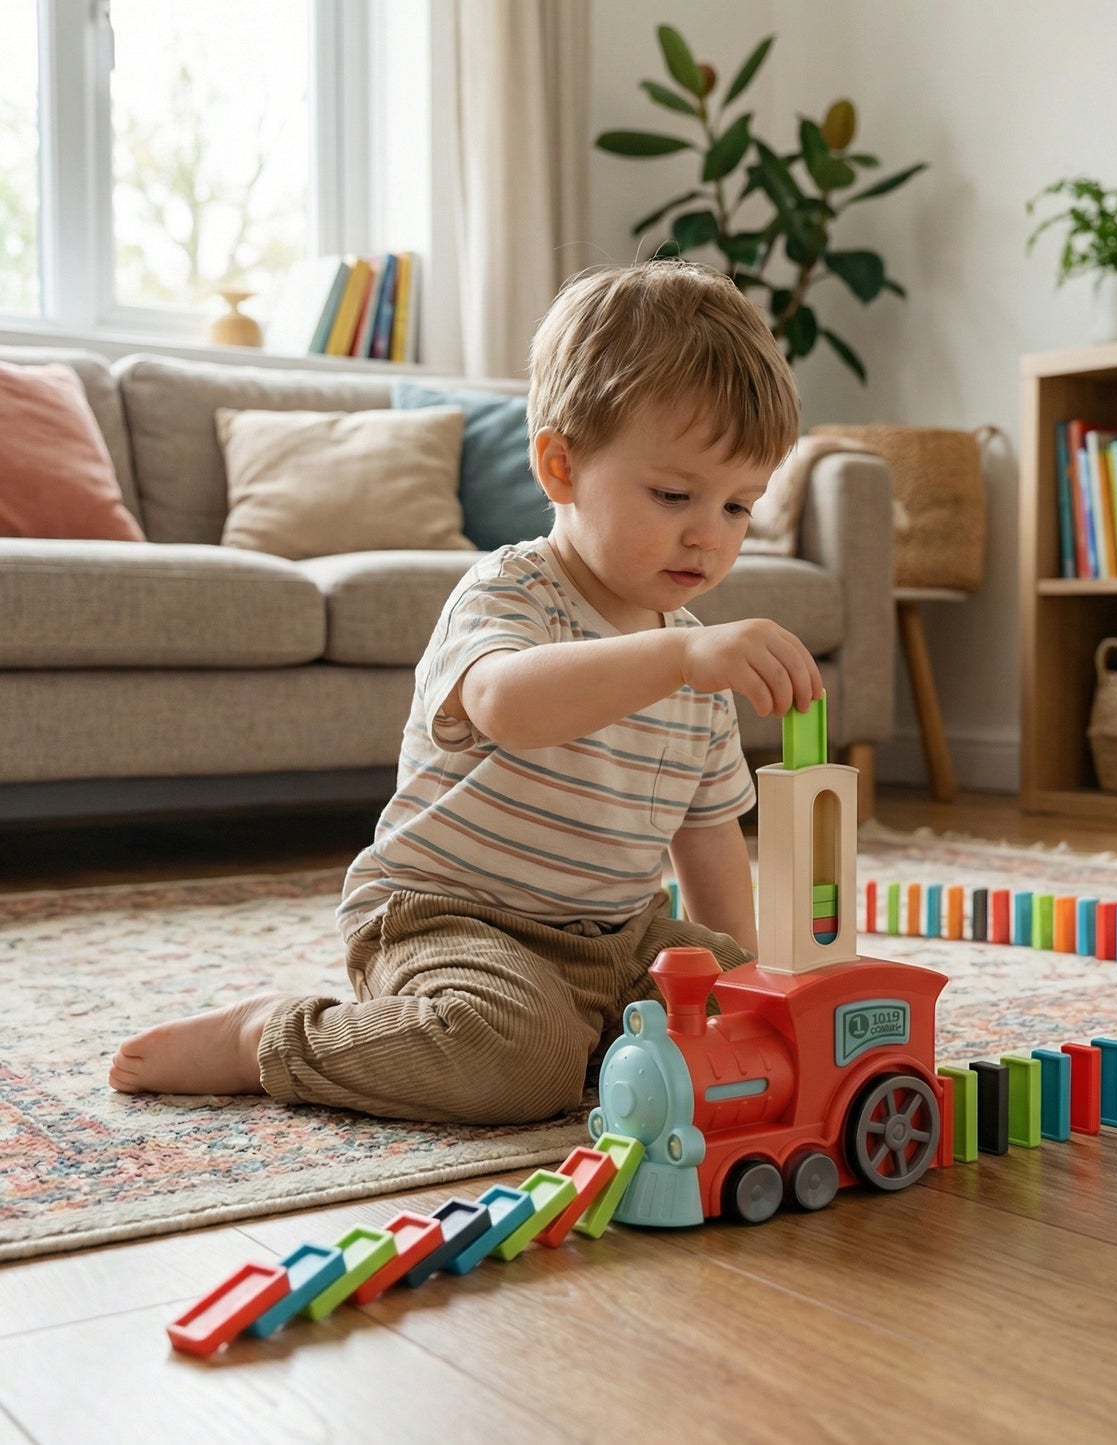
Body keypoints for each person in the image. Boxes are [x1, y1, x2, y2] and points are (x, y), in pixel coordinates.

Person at [109, 258, 822, 1125]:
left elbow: (707, 842)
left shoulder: (691, 657)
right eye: (673, 494)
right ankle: (274, 1037)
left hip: (617, 938)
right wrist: (681, 660)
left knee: (768, 1018)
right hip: (450, 924)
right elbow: (509, 705)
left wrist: (739, 989)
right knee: (516, 1067)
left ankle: (589, 1033)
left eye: (738, 507)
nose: (708, 536)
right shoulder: (510, 593)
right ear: (560, 467)